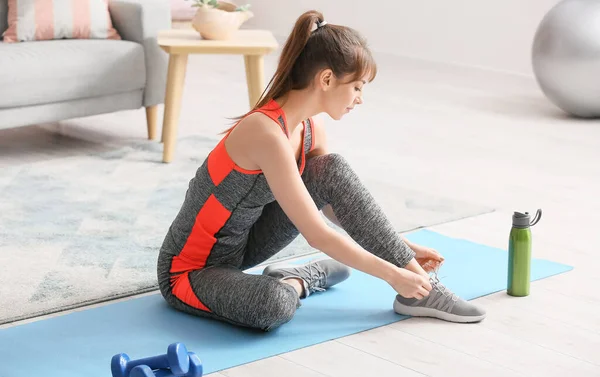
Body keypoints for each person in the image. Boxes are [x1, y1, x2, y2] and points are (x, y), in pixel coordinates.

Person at [157, 10, 486, 331]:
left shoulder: (310, 128)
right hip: (190, 271)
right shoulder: (265, 132)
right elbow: (317, 234)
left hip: (245, 245)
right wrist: (390, 274)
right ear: (326, 79)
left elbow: (336, 203)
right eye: (357, 86)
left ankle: (422, 291)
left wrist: (400, 248)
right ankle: (297, 280)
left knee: (332, 169)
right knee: (275, 303)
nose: (360, 99)